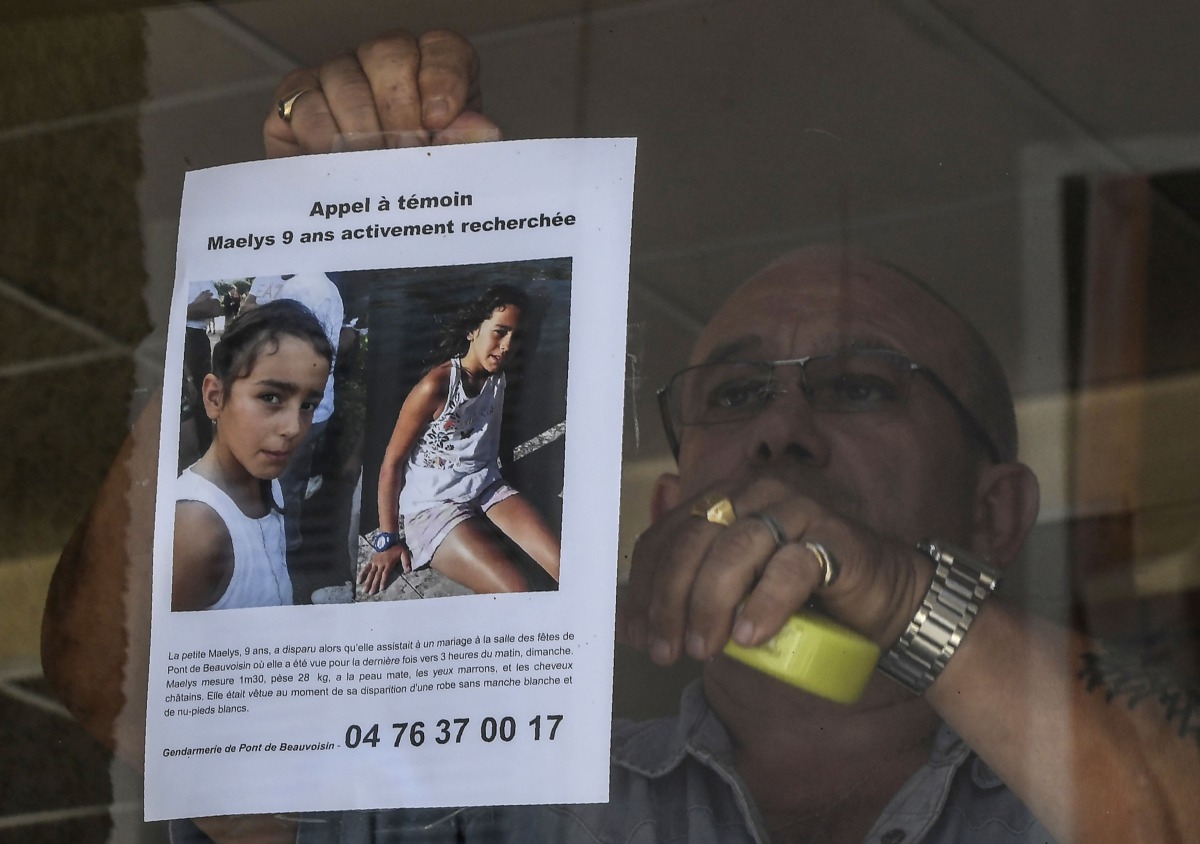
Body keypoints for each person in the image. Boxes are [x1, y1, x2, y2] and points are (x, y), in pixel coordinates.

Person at [40, 28, 1199, 844]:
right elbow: (125, 685)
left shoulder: (1078, 780)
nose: (782, 434)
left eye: (858, 388)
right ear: (664, 507)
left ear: (995, 512)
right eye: (735, 395)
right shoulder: (526, 800)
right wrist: (305, 231)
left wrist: (904, 600)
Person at [361, 284, 561, 596]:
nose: (507, 345)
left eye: (516, 336)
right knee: (519, 592)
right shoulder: (435, 387)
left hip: (484, 485)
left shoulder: (501, 375)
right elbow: (391, 464)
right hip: (433, 506)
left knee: (567, 567)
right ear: (472, 330)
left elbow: (495, 432)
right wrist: (387, 538)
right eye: (499, 332)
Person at [173, 299, 333, 611]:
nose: (293, 427)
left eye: (308, 405)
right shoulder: (197, 531)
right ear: (215, 398)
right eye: (270, 397)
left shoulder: (265, 479)